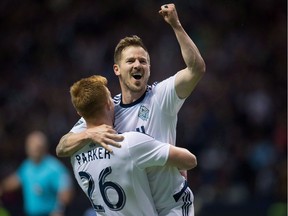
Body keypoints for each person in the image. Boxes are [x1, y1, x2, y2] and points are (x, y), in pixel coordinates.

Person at [56, 3, 205, 215]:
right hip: (138, 207)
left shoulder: (161, 95)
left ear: (149, 68)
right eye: (131, 60)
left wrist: (176, 25)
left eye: (143, 61)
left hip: (171, 206)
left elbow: (196, 69)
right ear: (117, 69)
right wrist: (89, 133)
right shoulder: (108, 108)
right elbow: (62, 146)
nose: (138, 65)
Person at [69, 75, 197, 215]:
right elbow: (190, 160)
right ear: (108, 104)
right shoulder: (128, 143)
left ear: (79, 113)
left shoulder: (75, 155)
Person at [0, 130, 74, 216]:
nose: (34, 149)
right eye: (31, 146)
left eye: (37, 147)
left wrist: (59, 209)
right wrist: (2, 187)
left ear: (44, 147)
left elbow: (66, 190)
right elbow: (16, 180)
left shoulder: (54, 168)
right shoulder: (27, 165)